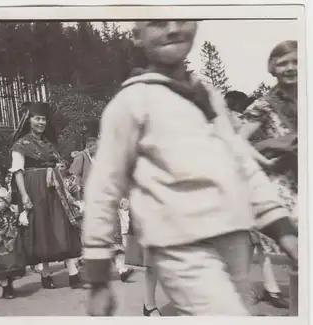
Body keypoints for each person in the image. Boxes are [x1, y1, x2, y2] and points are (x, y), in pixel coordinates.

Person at [82, 20, 298, 316]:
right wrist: (97, 277)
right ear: (136, 35)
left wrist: (283, 229)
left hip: (233, 237)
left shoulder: (207, 95)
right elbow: (102, 187)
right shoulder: (131, 102)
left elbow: (241, 162)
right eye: (158, 23)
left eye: (181, 19)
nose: (172, 29)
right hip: (180, 246)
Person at [239, 40, 299, 308]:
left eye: (296, 61)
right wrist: (266, 160)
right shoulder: (265, 104)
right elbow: (238, 141)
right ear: (272, 68)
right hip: (283, 184)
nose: (290, 67)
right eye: (283, 63)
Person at [10, 101, 83, 289]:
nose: (41, 122)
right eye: (37, 118)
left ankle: (74, 273)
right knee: (41, 228)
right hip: (33, 187)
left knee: (61, 225)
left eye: (43, 119)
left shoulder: (48, 144)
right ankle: (45, 273)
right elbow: (17, 171)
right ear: (29, 120)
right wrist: (24, 196)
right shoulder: (20, 144)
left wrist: (62, 170)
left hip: (53, 187)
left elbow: (60, 164)